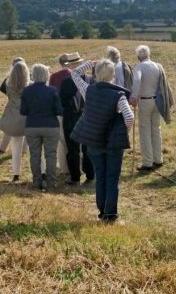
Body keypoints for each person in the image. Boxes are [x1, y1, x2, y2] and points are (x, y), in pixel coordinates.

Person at [70, 60, 135, 223]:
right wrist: (122, 131)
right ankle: (111, 215)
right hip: (113, 144)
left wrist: (89, 63)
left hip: (93, 141)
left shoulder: (88, 90)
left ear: (95, 74)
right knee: (112, 178)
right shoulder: (118, 95)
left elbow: (74, 74)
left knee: (100, 177)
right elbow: (129, 117)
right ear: (113, 75)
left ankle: (102, 212)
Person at [21, 63, 64, 190]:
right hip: (50, 126)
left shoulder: (26, 91)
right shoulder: (52, 90)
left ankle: (36, 181)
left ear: (33, 75)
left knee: (35, 155)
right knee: (51, 155)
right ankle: (51, 183)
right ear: (46, 75)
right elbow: (59, 110)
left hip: (32, 125)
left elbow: (23, 111)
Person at [129, 45, 164, 172]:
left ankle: (148, 162)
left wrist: (134, 97)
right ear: (149, 54)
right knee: (156, 130)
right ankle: (158, 159)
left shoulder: (140, 66)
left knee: (145, 132)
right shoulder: (157, 65)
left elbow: (137, 80)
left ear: (138, 56)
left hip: (145, 101)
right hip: (157, 100)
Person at [59, 57, 93, 185]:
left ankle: (75, 177)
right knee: (88, 147)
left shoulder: (66, 82)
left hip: (71, 118)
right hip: (88, 117)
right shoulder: (91, 80)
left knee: (72, 148)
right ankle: (90, 174)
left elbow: (61, 101)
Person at [0, 60, 30, 183]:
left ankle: (16, 174)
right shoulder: (30, 86)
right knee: (35, 148)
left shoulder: (8, 85)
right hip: (28, 118)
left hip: (14, 117)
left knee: (16, 147)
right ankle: (41, 172)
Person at [0, 57, 25, 154]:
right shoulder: (29, 78)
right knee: (25, 129)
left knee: (9, 129)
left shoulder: (9, 80)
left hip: (12, 107)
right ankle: (23, 150)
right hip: (25, 108)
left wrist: (12, 97)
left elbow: (2, 89)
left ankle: (3, 148)